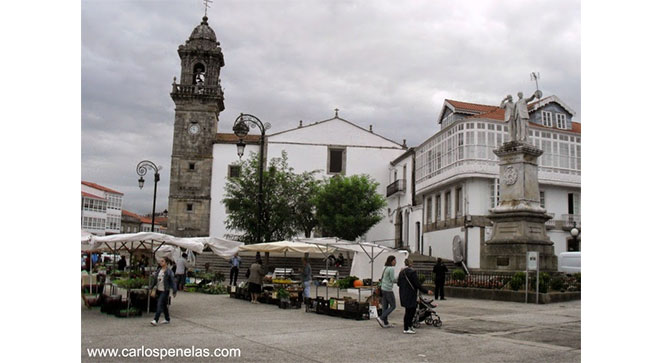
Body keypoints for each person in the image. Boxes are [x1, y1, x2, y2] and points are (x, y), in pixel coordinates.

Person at [397, 258, 432, 334]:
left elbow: (398, 283)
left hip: (403, 293)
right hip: (411, 294)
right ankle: (408, 327)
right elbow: (417, 284)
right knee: (411, 311)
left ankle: (407, 327)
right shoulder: (412, 272)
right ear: (411, 264)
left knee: (407, 311)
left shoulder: (401, 272)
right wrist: (426, 291)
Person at [149, 258, 177, 326]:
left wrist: (174, 290)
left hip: (165, 290)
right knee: (164, 305)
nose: (161, 262)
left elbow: (173, 281)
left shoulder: (169, 272)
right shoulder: (159, 270)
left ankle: (155, 319)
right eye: (160, 261)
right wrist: (151, 287)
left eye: (162, 261)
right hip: (159, 290)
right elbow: (155, 280)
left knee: (159, 304)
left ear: (166, 263)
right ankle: (167, 318)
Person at [376, 255, 397, 328]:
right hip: (388, 289)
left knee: (385, 306)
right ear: (391, 261)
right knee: (393, 305)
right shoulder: (391, 269)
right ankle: (381, 318)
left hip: (383, 288)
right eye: (394, 260)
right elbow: (393, 280)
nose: (395, 262)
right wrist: (400, 278)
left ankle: (385, 322)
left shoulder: (384, 267)